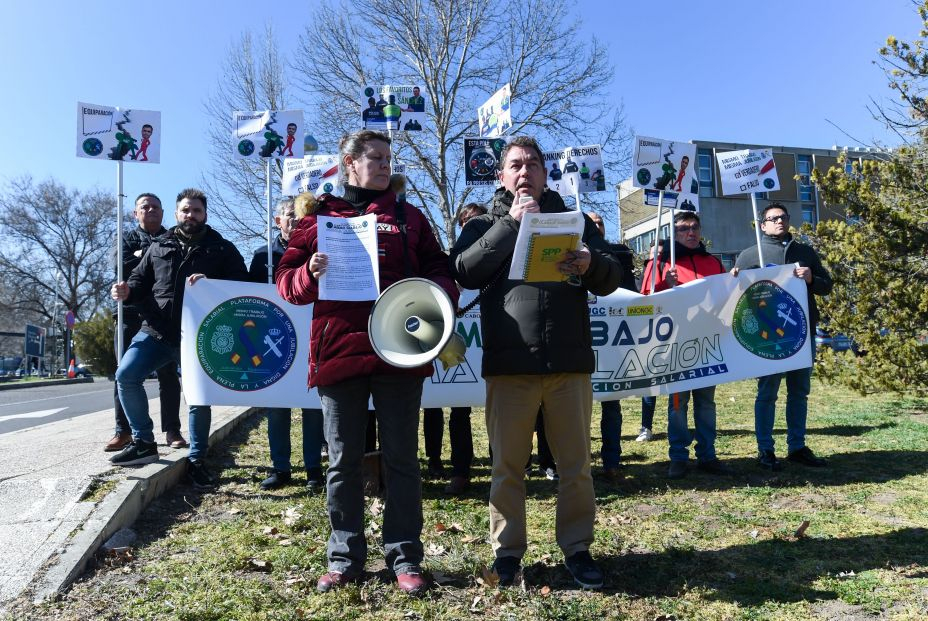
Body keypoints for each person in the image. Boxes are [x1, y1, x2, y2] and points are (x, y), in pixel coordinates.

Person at [276, 130, 458, 596]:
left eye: (387, 157)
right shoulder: (318, 217)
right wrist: (307, 272)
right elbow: (286, 284)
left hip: (399, 349)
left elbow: (439, 269)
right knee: (342, 461)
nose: (383, 164)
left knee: (401, 458)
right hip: (339, 350)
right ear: (349, 164)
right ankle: (344, 556)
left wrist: (436, 300)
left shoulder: (409, 216)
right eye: (374, 157)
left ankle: (405, 557)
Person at [449, 136, 622, 590]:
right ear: (501, 175)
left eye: (532, 164)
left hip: (569, 362)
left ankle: (578, 549)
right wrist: (509, 223)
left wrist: (589, 263)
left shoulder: (576, 220)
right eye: (515, 165)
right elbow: (464, 270)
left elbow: (617, 270)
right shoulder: (485, 222)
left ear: (546, 173)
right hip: (511, 366)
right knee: (508, 466)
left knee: (575, 465)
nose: (524, 172)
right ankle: (507, 554)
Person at [109, 188, 249, 489]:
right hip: (156, 332)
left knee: (197, 398)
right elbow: (139, 281)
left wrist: (214, 286)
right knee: (126, 375)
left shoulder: (222, 249)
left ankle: (197, 459)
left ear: (205, 215)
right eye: (186, 210)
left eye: (196, 211)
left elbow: (243, 286)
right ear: (177, 214)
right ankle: (144, 440)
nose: (191, 215)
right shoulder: (159, 245)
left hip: (200, 336)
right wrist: (127, 292)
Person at [733, 203, 833, 470]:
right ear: (762, 224)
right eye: (772, 218)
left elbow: (827, 286)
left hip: (801, 334)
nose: (779, 221)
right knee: (767, 393)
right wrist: (734, 278)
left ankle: (797, 446)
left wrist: (812, 277)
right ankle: (765, 449)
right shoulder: (749, 255)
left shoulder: (804, 252)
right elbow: (734, 297)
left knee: (799, 393)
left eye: (783, 217)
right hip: (768, 339)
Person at [641, 211, 731, 479]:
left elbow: (728, 295)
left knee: (706, 402)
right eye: (683, 229)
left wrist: (735, 279)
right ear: (673, 233)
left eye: (695, 227)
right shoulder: (658, 264)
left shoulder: (713, 262)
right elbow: (645, 302)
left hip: (708, 342)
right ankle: (678, 456)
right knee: (678, 404)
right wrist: (665, 285)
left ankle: (708, 454)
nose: (690, 233)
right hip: (676, 344)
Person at [248, 196, 325, 493]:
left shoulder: (319, 249)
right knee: (277, 406)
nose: (294, 219)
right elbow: (244, 294)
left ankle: (313, 469)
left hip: (310, 336)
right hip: (275, 340)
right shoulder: (261, 256)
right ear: (278, 220)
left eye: (300, 214)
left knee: (311, 405)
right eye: (288, 215)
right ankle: (280, 468)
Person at [105, 193, 184, 453]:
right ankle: (124, 431)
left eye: (155, 207)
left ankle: (172, 429)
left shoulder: (172, 239)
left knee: (169, 375)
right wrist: (150, 261)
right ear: (135, 213)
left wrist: (147, 261)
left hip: (163, 318)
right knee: (125, 373)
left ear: (163, 212)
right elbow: (126, 270)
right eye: (144, 207)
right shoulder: (125, 239)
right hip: (130, 315)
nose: (150, 210)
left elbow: (174, 272)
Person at [422, 203, 486, 496]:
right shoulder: (453, 262)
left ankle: (469, 467)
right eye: (467, 223)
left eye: (477, 222)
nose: (471, 226)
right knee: (442, 405)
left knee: (478, 409)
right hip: (452, 344)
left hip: (489, 344)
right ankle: (442, 464)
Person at [587, 212, 637, 481]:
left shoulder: (617, 256)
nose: (596, 227)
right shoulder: (570, 254)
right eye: (590, 223)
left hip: (611, 348)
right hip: (580, 347)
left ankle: (611, 461)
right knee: (578, 412)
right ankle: (580, 463)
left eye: (600, 223)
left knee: (611, 407)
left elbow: (631, 296)